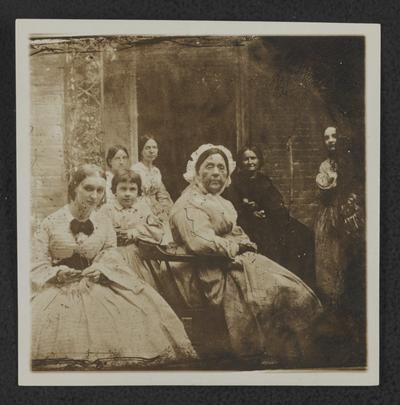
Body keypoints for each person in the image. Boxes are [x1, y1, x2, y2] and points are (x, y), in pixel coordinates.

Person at [168, 144, 323, 366]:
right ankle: (265, 348)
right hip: (205, 269)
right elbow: (198, 241)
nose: (216, 172)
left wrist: (244, 243)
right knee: (272, 289)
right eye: (209, 166)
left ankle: (288, 348)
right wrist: (235, 248)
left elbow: (235, 231)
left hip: (227, 261)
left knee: (287, 284)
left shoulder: (221, 202)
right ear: (196, 171)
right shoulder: (188, 203)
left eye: (221, 168)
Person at [31, 164, 196, 370]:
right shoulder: (50, 222)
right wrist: (59, 273)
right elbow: (37, 261)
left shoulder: (103, 220)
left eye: (100, 190)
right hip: (59, 289)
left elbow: (110, 251)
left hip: (97, 281)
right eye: (88, 188)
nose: (94, 196)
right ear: (74, 187)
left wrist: (101, 269)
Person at [226, 144, 315, 284]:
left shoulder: (263, 180)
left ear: (259, 160)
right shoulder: (235, 183)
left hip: (272, 219)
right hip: (249, 223)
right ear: (240, 162)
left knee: (304, 234)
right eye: (246, 159)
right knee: (272, 243)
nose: (250, 162)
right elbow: (232, 207)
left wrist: (265, 210)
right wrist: (250, 211)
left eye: (253, 158)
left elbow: (275, 202)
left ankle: (302, 282)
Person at [314, 127, 364, 311]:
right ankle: (331, 304)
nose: (330, 140)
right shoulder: (326, 166)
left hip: (351, 215)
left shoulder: (354, 161)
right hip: (330, 214)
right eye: (326, 137)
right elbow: (324, 194)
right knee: (329, 257)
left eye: (334, 136)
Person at [99, 169, 164, 289]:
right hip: (114, 255)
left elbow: (157, 232)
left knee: (144, 285)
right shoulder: (107, 210)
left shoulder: (143, 208)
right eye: (123, 189)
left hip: (139, 256)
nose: (127, 193)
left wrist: (136, 232)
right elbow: (99, 233)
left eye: (132, 189)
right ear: (114, 190)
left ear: (138, 191)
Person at [131, 135, 173, 243]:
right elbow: (133, 193)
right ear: (141, 151)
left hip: (156, 206)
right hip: (140, 206)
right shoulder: (136, 169)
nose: (151, 151)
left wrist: (166, 208)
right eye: (147, 148)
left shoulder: (156, 171)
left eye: (154, 147)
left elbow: (162, 192)